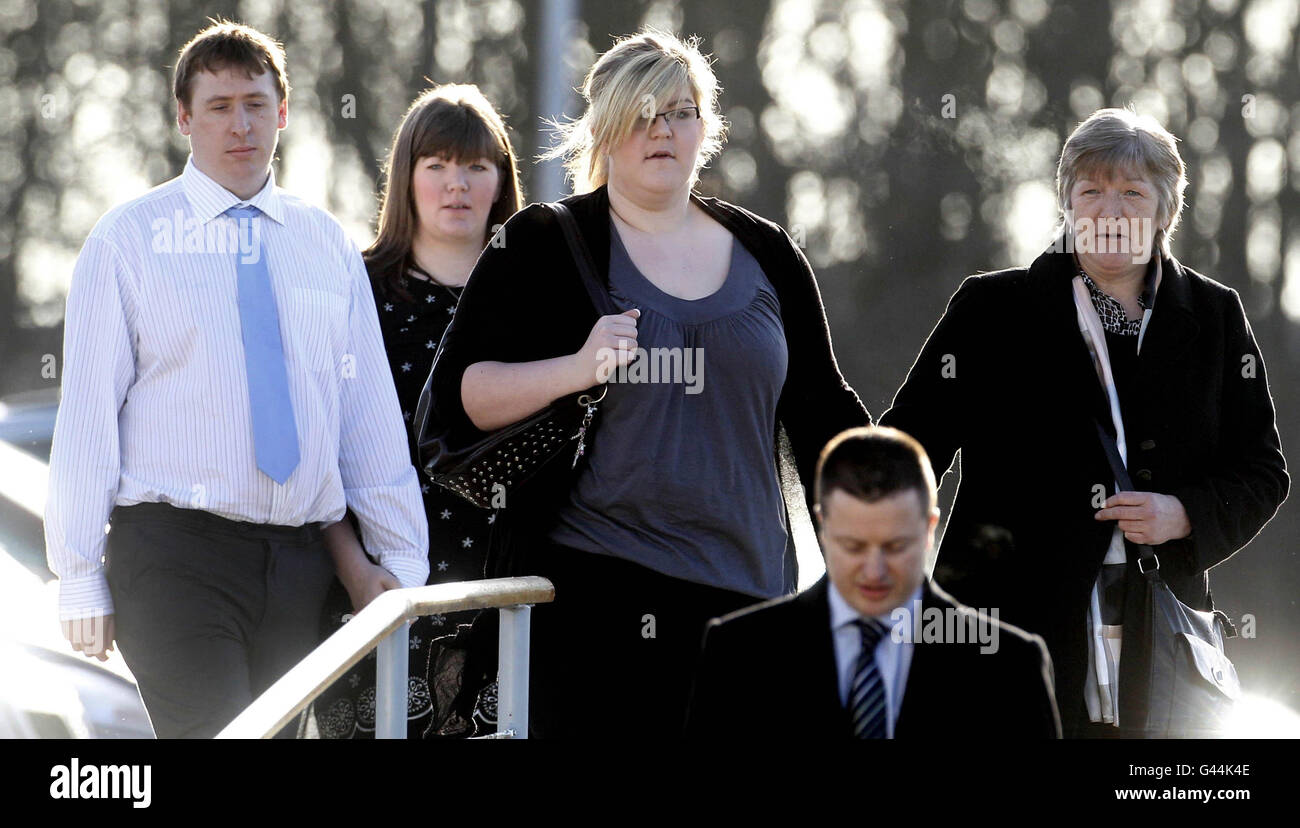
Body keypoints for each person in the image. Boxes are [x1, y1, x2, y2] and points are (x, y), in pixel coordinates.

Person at [421, 29, 870, 738]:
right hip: (593, 594)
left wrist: (879, 557)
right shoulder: (546, 241)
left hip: (748, 597)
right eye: (640, 113)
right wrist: (575, 368)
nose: (661, 130)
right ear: (604, 129)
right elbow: (460, 399)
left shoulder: (769, 254)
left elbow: (826, 419)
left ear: (705, 128)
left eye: (680, 111)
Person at [44, 21, 428, 738]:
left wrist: (403, 560)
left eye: (255, 103)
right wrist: (78, 572)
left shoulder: (326, 246)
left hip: (297, 565)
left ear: (282, 112)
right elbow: (87, 416)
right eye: (218, 107)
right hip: (172, 557)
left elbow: (365, 414)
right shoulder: (127, 241)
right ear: (184, 118)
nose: (240, 124)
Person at [879, 108, 1288, 737]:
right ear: (1067, 204)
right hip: (1005, 630)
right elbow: (907, 448)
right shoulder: (993, 309)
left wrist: (1183, 514)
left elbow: (1262, 472)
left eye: (1132, 192)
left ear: (1164, 210)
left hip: (1162, 632)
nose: (1110, 210)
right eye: (1090, 191)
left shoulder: (1215, 316)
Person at [313, 84, 524, 739]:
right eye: (435, 166)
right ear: (406, 179)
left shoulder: (537, 296)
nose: (455, 184)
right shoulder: (355, 290)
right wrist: (352, 568)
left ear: (500, 182)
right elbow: (318, 452)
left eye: (475, 166)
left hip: (513, 602)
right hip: (375, 595)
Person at [686, 426, 1061, 739]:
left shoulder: (1010, 666)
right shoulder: (738, 653)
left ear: (929, 529)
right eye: (854, 546)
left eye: (896, 546)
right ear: (823, 527)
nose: (874, 571)